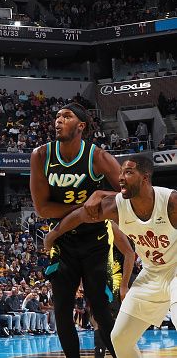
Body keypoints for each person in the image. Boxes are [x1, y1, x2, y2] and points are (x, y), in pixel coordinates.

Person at [44, 156, 176, 358]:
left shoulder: (171, 202)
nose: (121, 177)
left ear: (145, 178)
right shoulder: (116, 207)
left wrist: (101, 192)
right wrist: (53, 235)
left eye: (129, 172)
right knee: (120, 338)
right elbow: (80, 215)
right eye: (121, 172)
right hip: (152, 273)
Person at [30, 102, 132, 358]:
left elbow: (129, 191)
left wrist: (101, 195)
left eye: (67, 116)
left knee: (102, 311)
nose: (59, 120)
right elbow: (42, 209)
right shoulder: (41, 155)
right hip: (62, 243)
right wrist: (83, 209)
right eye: (57, 116)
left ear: (81, 126)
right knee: (62, 311)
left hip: (96, 242)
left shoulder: (97, 157)